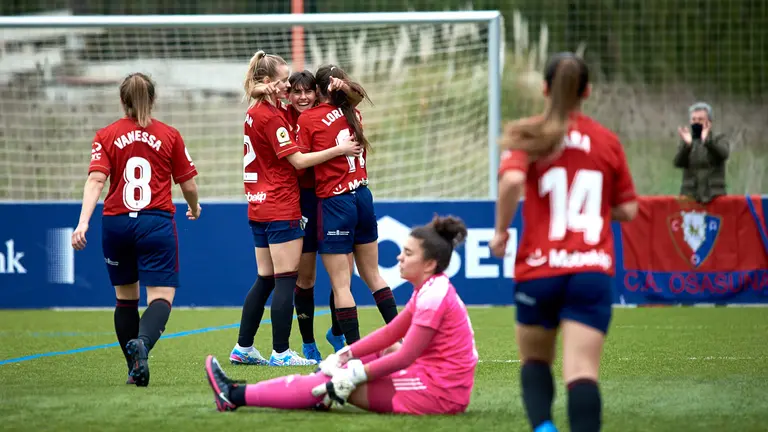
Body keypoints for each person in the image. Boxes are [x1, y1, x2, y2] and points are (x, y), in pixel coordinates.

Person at [489, 53, 638, 432]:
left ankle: (544, 427)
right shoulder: (607, 141)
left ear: (544, 88)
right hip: (590, 270)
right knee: (582, 371)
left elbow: (511, 181)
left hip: (540, 270)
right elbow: (629, 209)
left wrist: (501, 232)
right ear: (587, 91)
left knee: (536, 362)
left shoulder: (529, 133)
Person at [204, 215, 478, 415]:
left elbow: (405, 356)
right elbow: (391, 333)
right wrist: (345, 355)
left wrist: (354, 374)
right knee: (359, 361)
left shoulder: (432, 296)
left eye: (407, 253)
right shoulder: (430, 288)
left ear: (429, 264)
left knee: (329, 382)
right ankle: (313, 389)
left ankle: (234, 395)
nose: (399, 258)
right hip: (434, 379)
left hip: (439, 393)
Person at [230, 52, 361, 367]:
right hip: (280, 203)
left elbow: (255, 91)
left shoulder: (255, 110)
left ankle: (243, 348)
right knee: (286, 278)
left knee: (265, 278)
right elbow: (299, 161)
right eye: (285, 81)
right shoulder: (274, 117)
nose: (290, 87)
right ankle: (281, 352)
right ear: (269, 82)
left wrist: (261, 89)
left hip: (258, 203)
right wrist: (340, 149)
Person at [70, 72, 201, 387]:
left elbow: (96, 180)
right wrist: (194, 207)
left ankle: (135, 369)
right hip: (154, 223)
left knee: (125, 299)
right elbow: (188, 184)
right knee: (161, 297)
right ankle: (142, 343)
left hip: (116, 223)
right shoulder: (170, 135)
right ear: (153, 99)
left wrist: (83, 221)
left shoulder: (105, 135)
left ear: (122, 100)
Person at [296, 65, 400, 348]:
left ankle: (354, 351)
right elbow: (357, 96)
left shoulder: (309, 118)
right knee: (373, 275)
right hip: (363, 196)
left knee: (341, 285)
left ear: (318, 90)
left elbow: (300, 164)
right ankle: (401, 340)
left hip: (336, 201)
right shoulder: (353, 113)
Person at [673, 102, 730, 204]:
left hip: (714, 195)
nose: (696, 123)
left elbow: (723, 154)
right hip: (690, 195)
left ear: (709, 122)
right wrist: (688, 146)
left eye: (700, 120)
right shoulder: (687, 141)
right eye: (693, 119)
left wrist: (708, 142)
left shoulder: (719, 138)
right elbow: (677, 162)